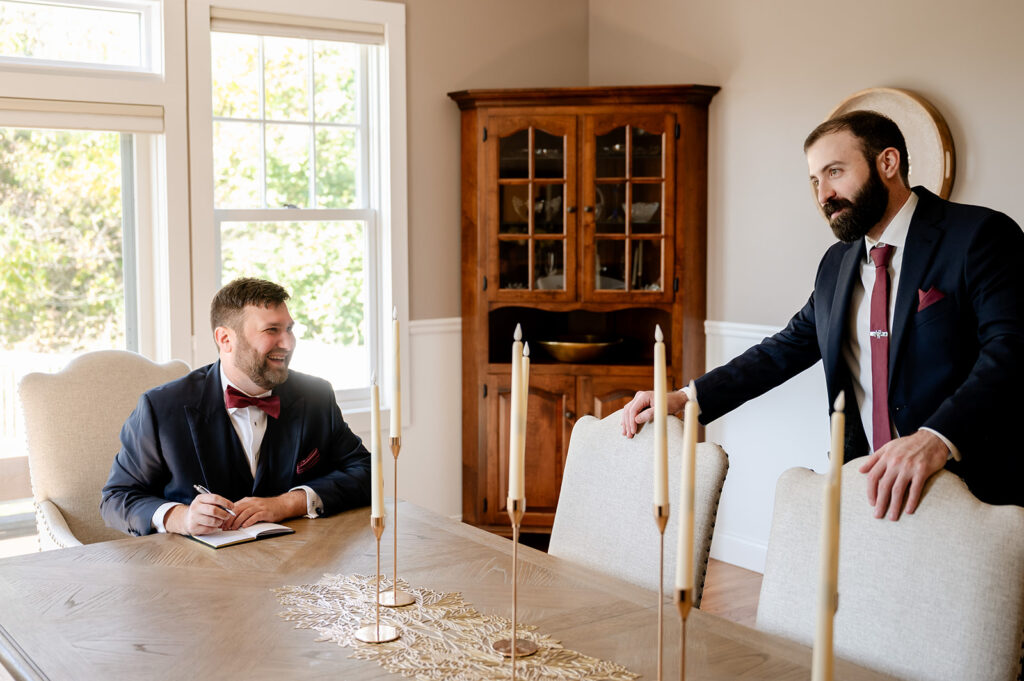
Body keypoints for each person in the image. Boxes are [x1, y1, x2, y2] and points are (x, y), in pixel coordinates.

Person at [621, 110, 1024, 518]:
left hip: (974, 488)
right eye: (815, 180)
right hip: (865, 486)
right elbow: (784, 349)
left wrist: (937, 438)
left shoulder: (980, 236)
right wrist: (686, 398)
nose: (823, 194)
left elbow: (1010, 349)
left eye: (835, 172)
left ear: (888, 163)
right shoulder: (836, 263)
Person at [101, 278, 371, 536]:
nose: (288, 343)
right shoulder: (160, 408)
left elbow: (366, 472)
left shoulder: (315, 395)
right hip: (197, 571)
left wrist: (289, 503)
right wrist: (180, 517)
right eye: (271, 330)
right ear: (225, 339)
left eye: (289, 329)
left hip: (300, 562)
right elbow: (116, 498)